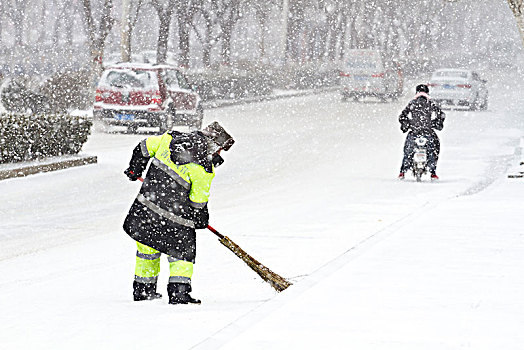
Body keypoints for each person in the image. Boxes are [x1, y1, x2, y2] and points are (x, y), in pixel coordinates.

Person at [122, 121, 234, 304]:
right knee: (181, 253)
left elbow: (142, 148)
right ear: (214, 146)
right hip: (175, 219)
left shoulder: (169, 139)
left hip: (146, 211)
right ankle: (178, 293)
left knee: (147, 249)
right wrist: (200, 219)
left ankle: (143, 290)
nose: (218, 156)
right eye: (220, 151)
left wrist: (135, 169)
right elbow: (198, 202)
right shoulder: (203, 169)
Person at [398, 84, 445, 180]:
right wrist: (436, 124)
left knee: (408, 150)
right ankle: (433, 172)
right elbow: (441, 115)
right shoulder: (431, 103)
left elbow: (402, 116)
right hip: (428, 132)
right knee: (433, 149)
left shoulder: (412, 103)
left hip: (414, 132)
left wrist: (406, 125)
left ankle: (402, 172)